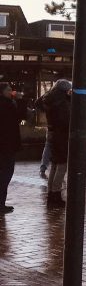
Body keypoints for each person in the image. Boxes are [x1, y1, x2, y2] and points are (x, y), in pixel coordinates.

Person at [40, 80, 72, 208]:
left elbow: (38, 103)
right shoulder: (61, 102)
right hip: (61, 135)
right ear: (65, 90)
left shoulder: (49, 99)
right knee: (62, 164)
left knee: (54, 164)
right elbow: (65, 120)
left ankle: (51, 194)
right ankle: (56, 194)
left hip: (52, 133)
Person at [0, 83, 27, 214]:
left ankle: (1, 203)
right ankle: (1, 204)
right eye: (9, 89)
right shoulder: (7, 104)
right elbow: (20, 116)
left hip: (5, 144)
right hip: (7, 144)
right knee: (6, 173)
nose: (11, 91)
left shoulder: (7, 103)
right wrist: (20, 100)